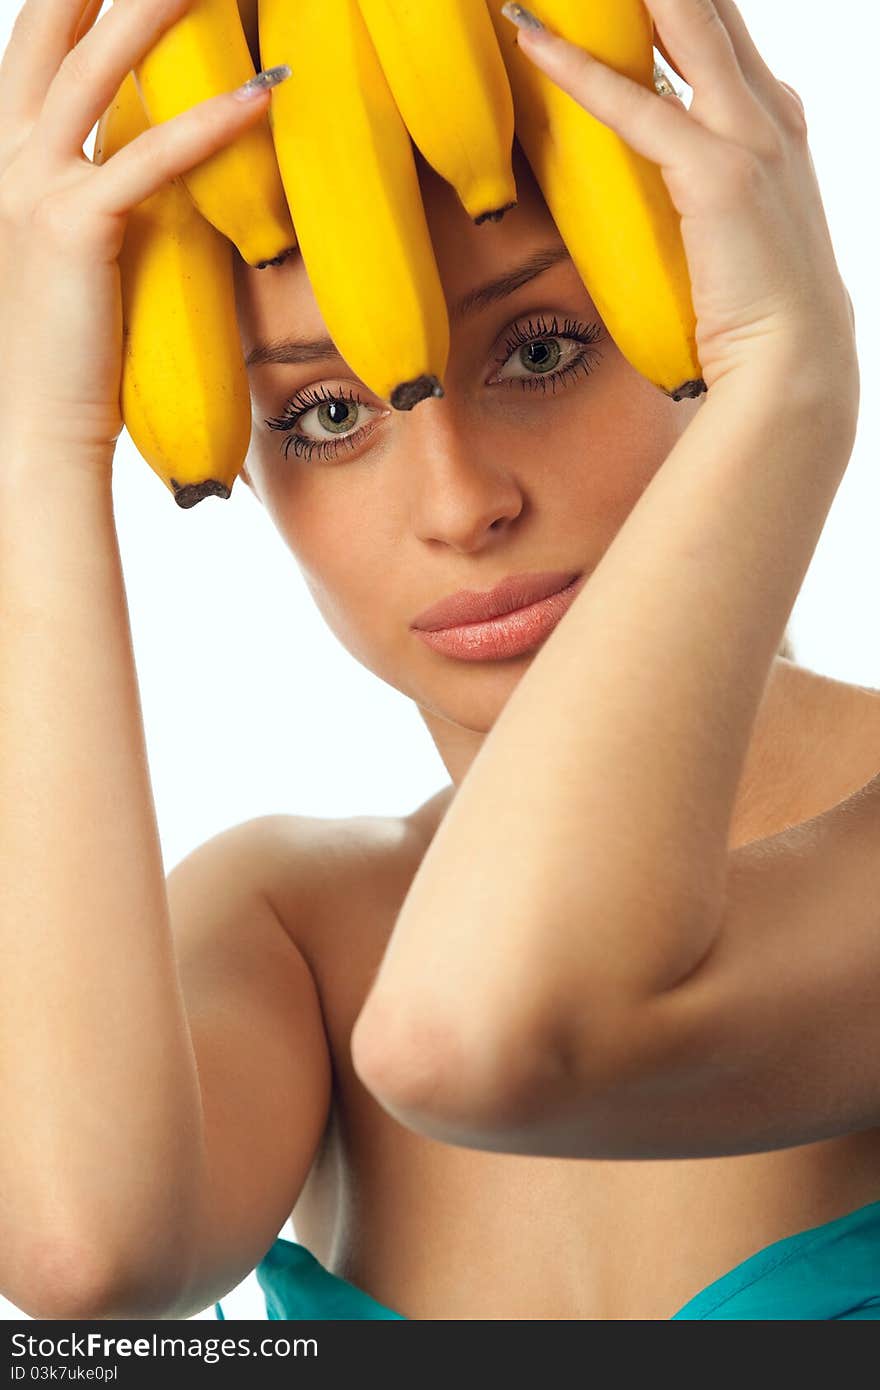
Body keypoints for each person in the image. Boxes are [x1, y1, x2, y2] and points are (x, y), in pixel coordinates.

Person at [0, 0, 877, 1324]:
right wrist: (35, 440)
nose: (461, 501)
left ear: (704, 308)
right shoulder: (293, 922)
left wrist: (797, 383)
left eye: (538, 348)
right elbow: (79, 1261)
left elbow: (481, 1029)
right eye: (327, 411)